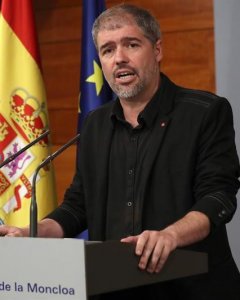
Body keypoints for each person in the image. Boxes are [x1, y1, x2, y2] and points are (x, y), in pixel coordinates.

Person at [1, 3, 240, 300]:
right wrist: (31, 233)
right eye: (108, 50)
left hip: (192, 289)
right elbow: (78, 207)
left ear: (157, 50)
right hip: (115, 289)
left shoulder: (205, 113)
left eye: (132, 44)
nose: (120, 59)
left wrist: (170, 235)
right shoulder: (95, 125)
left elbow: (219, 197)